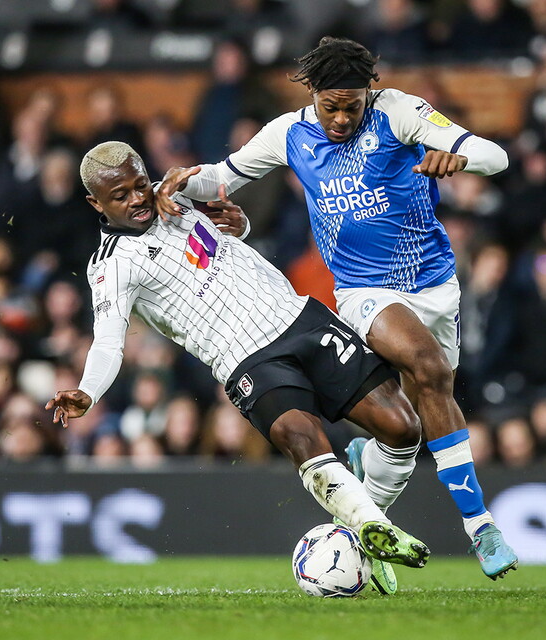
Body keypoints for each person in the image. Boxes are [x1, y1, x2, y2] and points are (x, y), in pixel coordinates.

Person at [154, 36, 518, 579]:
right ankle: (480, 526)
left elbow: (498, 156)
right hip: (363, 289)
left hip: (436, 283)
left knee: (414, 420)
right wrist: (183, 180)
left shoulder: (399, 112)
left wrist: (458, 157)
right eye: (331, 107)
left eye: (352, 105)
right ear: (314, 97)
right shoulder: (289, 133)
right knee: (430, 368)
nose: (342, 118)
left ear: (369, 92)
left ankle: (362, 528)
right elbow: (222, 178)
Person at [47, 141, 430, 595]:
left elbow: (224, 214)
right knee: (299, 435)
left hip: (299, 317)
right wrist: (88, 390)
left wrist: (241, 223)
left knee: (403, 428)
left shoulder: (174, 193)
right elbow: (109, 342)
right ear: (96, 202)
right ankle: (369, 525)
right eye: (120, 196)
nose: (137, 199)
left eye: (138, 184)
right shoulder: (110, 267)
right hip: (244, 357)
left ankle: (359, 535)